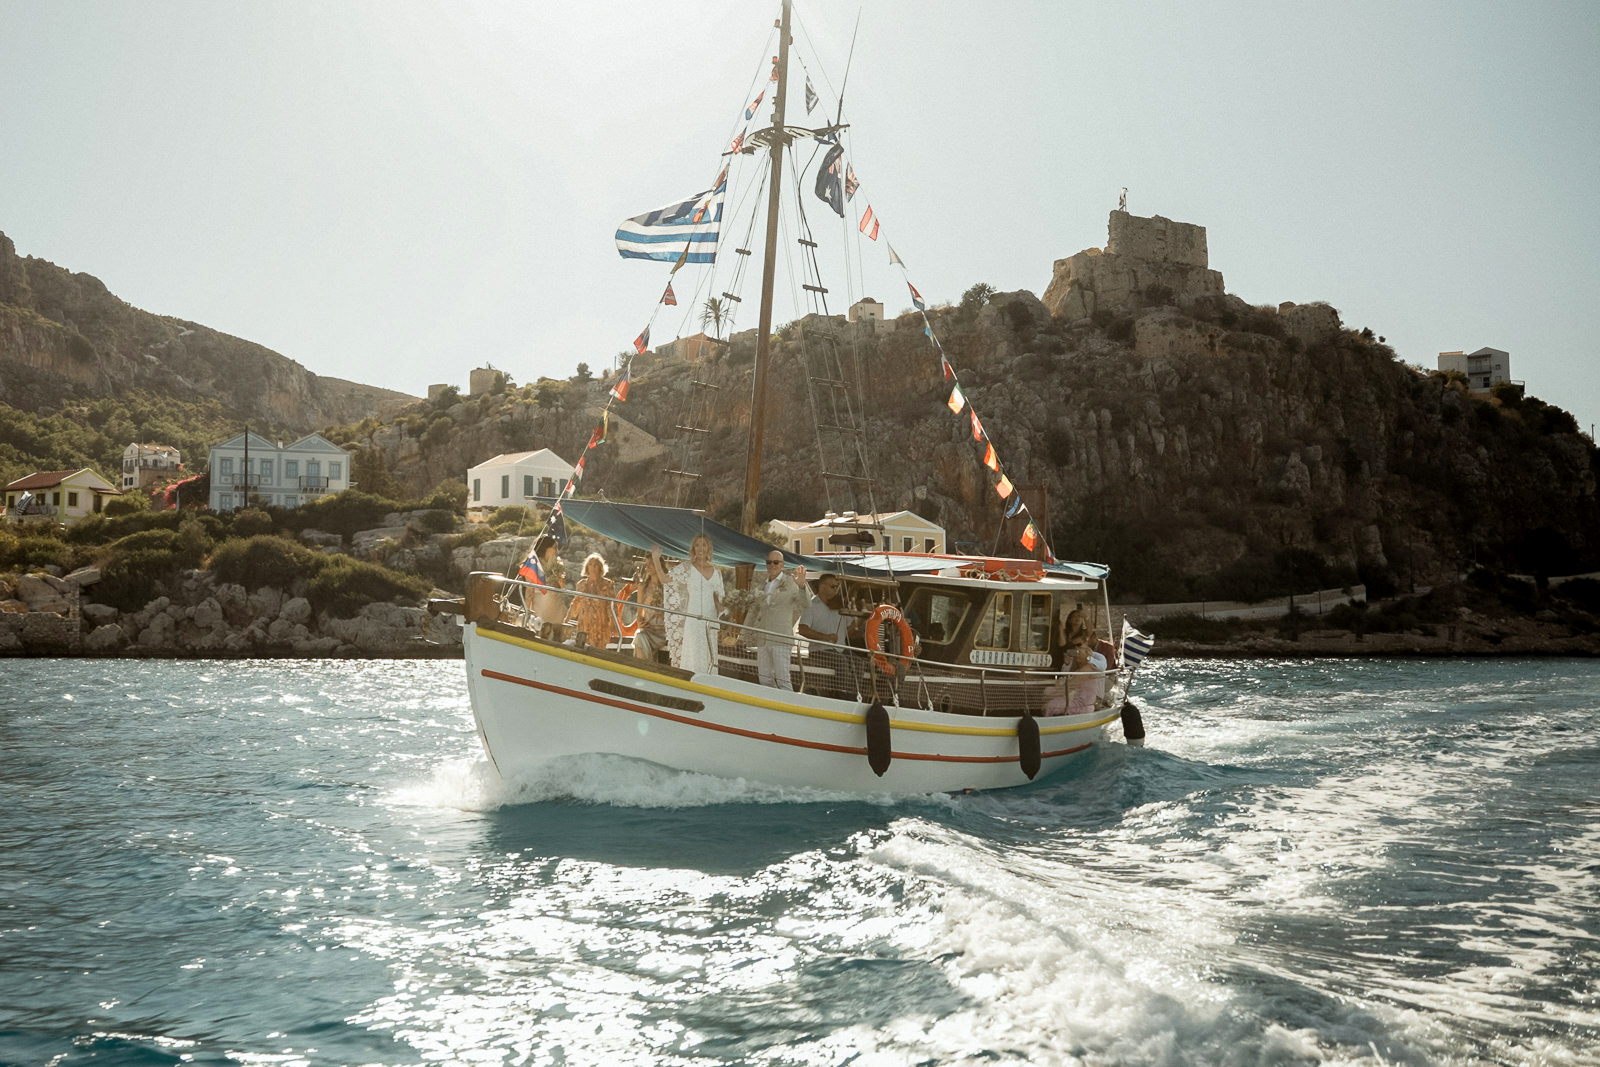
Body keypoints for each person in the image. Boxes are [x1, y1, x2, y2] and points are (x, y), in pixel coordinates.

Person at [743, 551, 811, 690]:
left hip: (781, 639)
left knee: (783, 680)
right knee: (764, 679)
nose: (772, 565)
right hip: (762, 639)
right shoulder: (762, 585)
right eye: (769, 562)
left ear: (782, 564)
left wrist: (802, 587)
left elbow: (806, 604)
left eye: (776, 562)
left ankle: (790, 709)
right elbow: (753, 610)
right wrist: (743, 633)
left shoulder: (792, 583)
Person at [657, 535, 724, 675]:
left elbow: (718, 600)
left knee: (709, 654)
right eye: (697, 545)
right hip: (693, 618)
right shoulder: (687, 568)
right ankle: (691, 683)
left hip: (710, 619)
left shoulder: (717, 571)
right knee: (693, 653)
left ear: (709, 548)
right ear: (693, 548)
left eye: (704, 545)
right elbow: (664, 579)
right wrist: (655, 558)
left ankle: (709, 686)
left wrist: (727, 611)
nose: (700, 548)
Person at [798, 572, 855, 699]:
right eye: (833, 587)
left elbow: (850, 631)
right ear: (822, 587)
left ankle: (856, 697)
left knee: (859, 662)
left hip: (840, 649)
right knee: (841, 661)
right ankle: (844, 697)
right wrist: (826, 637)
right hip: (820, 649)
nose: (836, 590)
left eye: (837, 587)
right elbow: (802, 630)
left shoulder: (839, 604)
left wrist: (861, 618)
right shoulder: (811, 605)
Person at [566, 552, 618, 649]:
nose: (593, 567)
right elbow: (575, 603)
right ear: (587, 567)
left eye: (596, 565)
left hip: (601, 624)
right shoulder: (581, 584)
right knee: (582, 648)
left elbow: (612, 606)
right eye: (590, 565)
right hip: (585, 623)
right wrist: (567, 619)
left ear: (600, 568)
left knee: (599, 651)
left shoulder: (608, 584)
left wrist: (614, 624)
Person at [631, 559, 667, 664]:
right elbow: (639, 614)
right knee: (640, 637)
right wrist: (640, 622)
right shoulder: (643, 587)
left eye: (652, 564)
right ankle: (646, 669)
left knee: (641, 638)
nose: (648, 567)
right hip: (649, 629)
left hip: (663, 631)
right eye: (647, 564)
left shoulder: (667, 586)